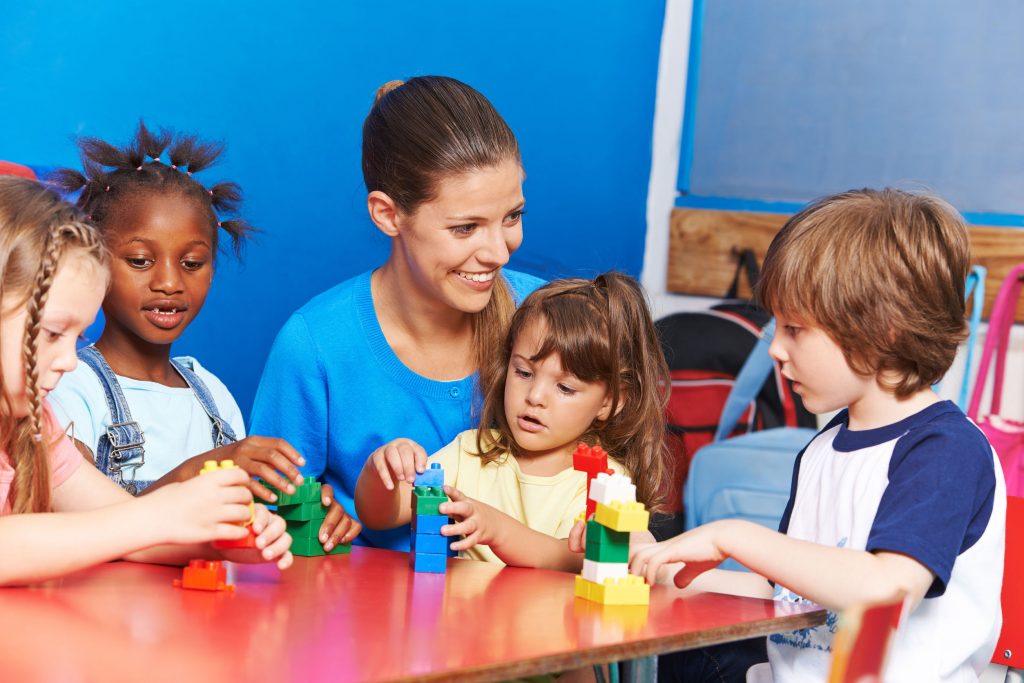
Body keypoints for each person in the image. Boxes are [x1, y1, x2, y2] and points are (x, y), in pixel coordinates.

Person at [630, 188, 1005, 682]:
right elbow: (793, 595)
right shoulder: (824, 448)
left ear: (883, 331)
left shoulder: (945, 453)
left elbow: (885, 592)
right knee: (678, 651)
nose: (775, 350)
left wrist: (734, 535)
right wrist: (666, 570)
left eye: (795, 328)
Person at [251, 76, 544, 551]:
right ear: (388, 215)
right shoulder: (316, 344)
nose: (499, 252)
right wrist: (307, 521)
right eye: (466, 227)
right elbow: (266, 521)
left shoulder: (546, 317)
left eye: (512, 217)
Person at [0, 176, 292, 585]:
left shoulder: (35, 425)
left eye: (77, 336)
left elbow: (120, 526)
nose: (68, 361)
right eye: (51, 333)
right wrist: (161, 513)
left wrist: (221, 536)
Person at [48, 122, 310, 507]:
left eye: (192, 262)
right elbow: (83, 523)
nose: (169, 282)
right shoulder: (69, 387)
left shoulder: (213, 398)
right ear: (93, 262)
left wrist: (298, 512)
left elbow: (241, 516)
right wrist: (200, 470)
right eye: (140, 260)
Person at [355, 272, 669, 569]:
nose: (535, 396)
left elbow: (570, 559)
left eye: (565, 387)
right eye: (523, 372)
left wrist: (497, 530)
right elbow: (382, 515)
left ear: (610, 402)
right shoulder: (471, 453)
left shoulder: (604, 479)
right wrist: (378, 472)